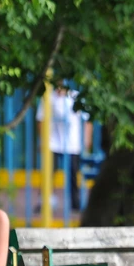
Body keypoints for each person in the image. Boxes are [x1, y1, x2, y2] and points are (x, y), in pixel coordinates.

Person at [35, 81, 92, 212]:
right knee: (48, 173)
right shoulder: (48, 97)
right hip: (52, 142)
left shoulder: (77, 97)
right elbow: (40, 120)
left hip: (72, 143)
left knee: (73, 173)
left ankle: (75, 203)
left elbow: (88, 120)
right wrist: (43, 140)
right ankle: (45, 202)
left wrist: (87, 139)